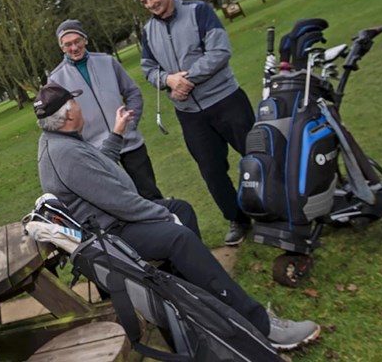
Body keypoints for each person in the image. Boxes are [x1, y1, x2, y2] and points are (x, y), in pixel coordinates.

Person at [33, 82, 321, 351]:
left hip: (114, 221)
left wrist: (117, 134)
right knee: (178, 235)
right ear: (69, 114)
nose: (79, 106)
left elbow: (100, 169)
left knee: (181, 209)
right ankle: (259, 324)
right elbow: (120, 203)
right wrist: (162, 216)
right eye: (74, 102)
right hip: (111, 236)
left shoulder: (62, 141)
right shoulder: (66, 154)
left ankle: (202, 303)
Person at [136, 0, 255, 246]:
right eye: (144, 2)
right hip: (190, 114)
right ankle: (237, 219)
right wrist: (168, 80)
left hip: (226, 100)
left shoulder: (198, 11)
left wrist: (185, 79)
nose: (150, 4)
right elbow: (148, 69)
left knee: (256, 156)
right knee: (211, 171)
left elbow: (220, 51)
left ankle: (279, 206)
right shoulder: (148, 32)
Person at [48, 19, 163, 200]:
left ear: (85, 40)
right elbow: (58, 121)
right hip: (97, 154)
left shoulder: (107, 62)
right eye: (67, 44)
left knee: (151, 196)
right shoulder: (56, 79)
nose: (74, 47)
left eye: (77, 41)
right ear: (62, 48)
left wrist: (130, 123)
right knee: (120, 203)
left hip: (130, 143)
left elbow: (133, 93)